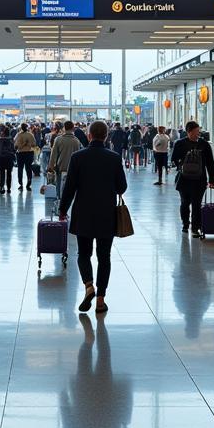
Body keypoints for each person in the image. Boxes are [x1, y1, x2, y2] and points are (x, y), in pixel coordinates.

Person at [58, 121, 127, 315]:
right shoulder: (114, 158)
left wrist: (63, 210)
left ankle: (89, 286)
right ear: (106, 136)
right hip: (107, 213)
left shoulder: (78, 157)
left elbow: (69, 187)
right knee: (104, 257)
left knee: (83, 254)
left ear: (88, 135)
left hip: (83, 213)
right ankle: (100, 301)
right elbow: (122, 187)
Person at [170, 121, 214, 238]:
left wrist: (212, 179)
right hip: (184, 179)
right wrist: (182, 165)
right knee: (185, 203)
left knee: (196, 204)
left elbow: (210, 163)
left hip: (199, 180)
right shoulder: (179, 143)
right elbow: (174, 159)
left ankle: (195, 227)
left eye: (198, 131)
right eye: (195, 132)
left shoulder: (204, 144)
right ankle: (185, 223)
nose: (198, 134)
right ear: (188, 132)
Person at [48, 120, 81, 187]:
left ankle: (59, 197)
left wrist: (51, 166)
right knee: (71, 187)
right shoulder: (76, 141)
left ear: (64, 128)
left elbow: (53, 154)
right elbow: (78, 157)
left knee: (59, 186)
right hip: (72, 168)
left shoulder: (58, 139)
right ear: (73, 128)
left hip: (60, 167)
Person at [14, 122, 37, 191]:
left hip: (20, 154)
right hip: (29, 153)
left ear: (21, 128)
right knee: (28, 169)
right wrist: (28, 144)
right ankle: (28, 184)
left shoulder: (18, 135)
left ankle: (21, 184)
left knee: (20, 169)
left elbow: (16, 146)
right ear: (27, 127)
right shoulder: (30, 135)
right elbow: (34, 145)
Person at [0, 126, 16, 193]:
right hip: (9, 158)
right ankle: (9, 188)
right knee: (9, 173)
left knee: (2, 173)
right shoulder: (11, 140)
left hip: (1, 158)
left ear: (3, 133)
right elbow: (14, 150)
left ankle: (2, 187)